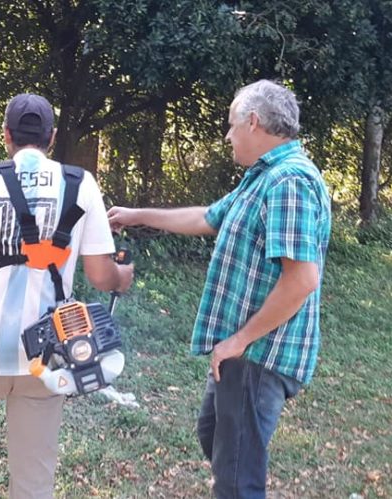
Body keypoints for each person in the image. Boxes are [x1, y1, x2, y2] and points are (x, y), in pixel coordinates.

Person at [108, 80, 331, 498]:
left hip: (259, 354)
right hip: (244, 354)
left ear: (252, 121)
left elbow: (301, 279)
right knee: (214, 435)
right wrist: (137, 215)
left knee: (235, 480)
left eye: (230, 125)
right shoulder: (262, 177)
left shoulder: (289, 182)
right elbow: (207, 218)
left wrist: (239, 341)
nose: (227, 136)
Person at [0, 93, 134, 499]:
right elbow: (100, 275)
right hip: (48, 353)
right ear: (52, 136)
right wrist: (122, 276)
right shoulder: (80, 184)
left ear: (6, 134)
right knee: (34, 472)